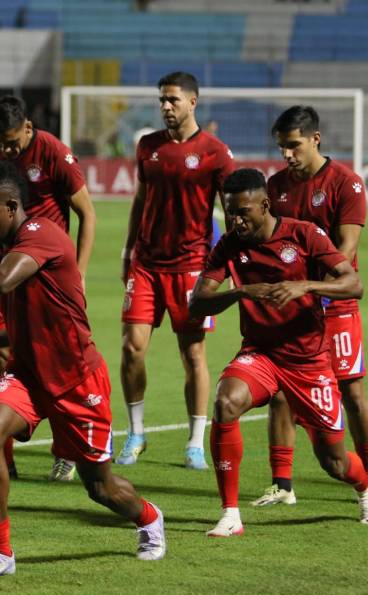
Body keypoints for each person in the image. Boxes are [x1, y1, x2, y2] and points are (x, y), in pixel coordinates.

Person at [0, 161, 165, 578]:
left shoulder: (42, 234)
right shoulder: (13, 244)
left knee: (100, 488)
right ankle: (1, 553)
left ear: (11, 206)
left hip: (77, 380)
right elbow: (38, 322)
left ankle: (150, 518)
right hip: (29, 373)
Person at [189, 168, 368, 536]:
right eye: (230, 212)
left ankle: (365, 487)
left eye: (243, 212)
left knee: (333, 462)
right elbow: (198, 303)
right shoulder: (230, 245)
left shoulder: (304, 234)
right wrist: (240, 293)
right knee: (226, 402)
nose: (236, 220)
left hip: (308, 360)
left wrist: (305, 285)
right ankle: (230, 514)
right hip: (261, 354)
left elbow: (354, 284)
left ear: (265, 205)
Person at [0, 95, 96, 483]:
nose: (5, 150)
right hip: (9, 269)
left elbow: (87, 213)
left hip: (49, 273)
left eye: (12, 142)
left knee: (57, 359)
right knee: (1, 350)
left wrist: (80, 271)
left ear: (27, 127)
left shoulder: (54, 152)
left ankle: (66, 451)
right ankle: (3, 458)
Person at [118, 71, 236, 470]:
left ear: (192, 102)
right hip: (147, 264)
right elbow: (140, 200)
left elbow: (234, 213)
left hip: (190, 267)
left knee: (193, 354)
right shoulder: (148, 147)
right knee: (132, 347)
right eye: (162, 100)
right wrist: (127, 250)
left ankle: (195, 443)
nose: (166, 107)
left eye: (173, 100)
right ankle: (135, 433)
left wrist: (230, 263)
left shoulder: (216, 152)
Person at [251, 105, 368, 507]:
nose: (286, 154)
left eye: (294, 146)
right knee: (282, 390)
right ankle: (282, 485)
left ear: (315, 139)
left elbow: (345, 250)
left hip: (333, 305)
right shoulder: (276, 186)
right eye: (282, 147)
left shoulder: (346, 184)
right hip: (293, 307)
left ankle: (367, 478)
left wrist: (309, 285)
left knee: (352, 393)